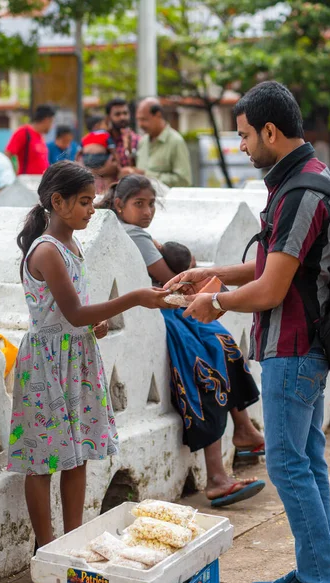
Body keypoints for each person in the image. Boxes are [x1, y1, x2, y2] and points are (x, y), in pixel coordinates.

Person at [165, 82, 330, 583]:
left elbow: (271, 287)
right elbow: (275, 263)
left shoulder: (303, 191)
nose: (240, 146)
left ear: (270, 130)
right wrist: (213, 272)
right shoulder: (301, 179)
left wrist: (215, 304)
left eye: (244, 135)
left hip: (296, 347)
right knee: (306, 464)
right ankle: (315, 572)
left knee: (289, 466)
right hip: (298, 346)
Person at [8, 161, 168, 549]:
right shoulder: (46, 251)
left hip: (75, 356)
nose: (91, 210)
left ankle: (74, 539)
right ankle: (46, 546)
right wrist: (133, 298)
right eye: (84, 202)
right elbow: (75, 312)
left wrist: (91, 326)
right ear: (57, 202)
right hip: (48, 363)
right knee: (43, 458)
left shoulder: (72, 245)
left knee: (76, 452)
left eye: (92, 201)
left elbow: (73, 313)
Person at [98, 175, 266, 507]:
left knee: (219, 345)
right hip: (164, 316)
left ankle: (242, 432)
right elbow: (167, 279)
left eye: (150, 205)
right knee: (208, 362)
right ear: (119, 205)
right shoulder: (136, 235)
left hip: (165, 314)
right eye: (138, 204)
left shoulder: (129, 232)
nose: (146, 212)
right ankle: (218, 475)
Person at [134, 98, 192, 187]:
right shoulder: (143, 141)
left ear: (158, 115)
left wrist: (147, 176)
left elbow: (184, 181)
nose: (140, 124)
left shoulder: (175, 141)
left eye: (144, 119)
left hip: (166, 200)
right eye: (138, 120)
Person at [5, 104, 55, 175]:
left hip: (39, 181)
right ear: (46, 120)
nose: (51, 126)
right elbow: (8, 154)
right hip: (26, 181)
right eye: (51, 122)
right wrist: (13, 174)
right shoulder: (24, 132)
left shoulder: (41, 137)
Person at [106, 98, 141, 168]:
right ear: (108, 118)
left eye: (125, 113)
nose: (122, 117)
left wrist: (129, 150)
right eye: (117, 114)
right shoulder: (103, 139)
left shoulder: (138, 140)